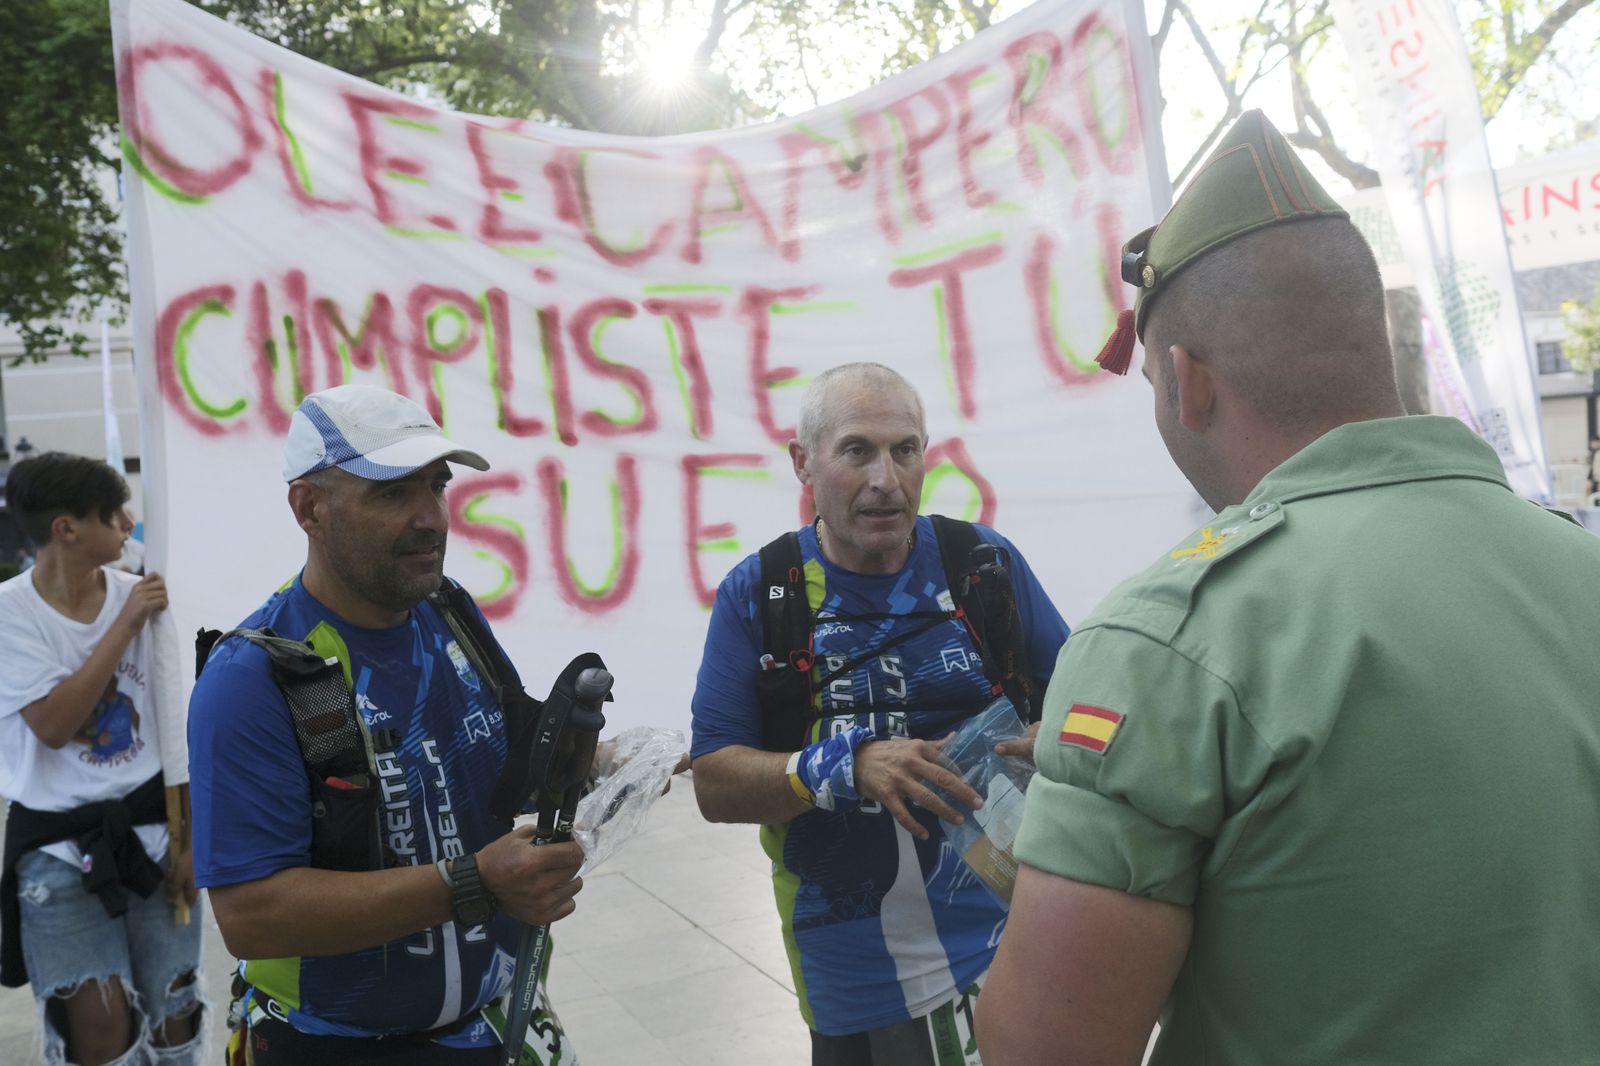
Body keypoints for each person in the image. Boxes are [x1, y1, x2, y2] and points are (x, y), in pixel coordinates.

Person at [977, 110, 1600, 1065]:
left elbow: (1043, 1050)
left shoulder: (1167, 645)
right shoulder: (1574, 568)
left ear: (1187, 382)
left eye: (1148, 380)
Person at [188, 384, 585, 1064]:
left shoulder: (450, 612)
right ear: (308, 508)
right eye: (391, 493)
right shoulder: (252, 678)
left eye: (436, 487)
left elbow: (499, 759)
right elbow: (251, 915)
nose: (430, 518)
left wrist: (598, 760)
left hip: (496, 1022)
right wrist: (475, 881)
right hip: (334, 1044)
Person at [691, 362, 1070, 1064]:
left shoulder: (981, 563)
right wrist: (846, 766)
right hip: (861, 974)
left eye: (905, 449)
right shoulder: (760, 593)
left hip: (1015, 939)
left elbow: (1087, 702)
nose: (885, 481)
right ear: (803, 463)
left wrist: (1060, 738)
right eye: (857, 450)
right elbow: (714, 781)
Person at [0, 452, 203, 1066]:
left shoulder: (142, 596)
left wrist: (191, 840)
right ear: (66, 529)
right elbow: (56, 726)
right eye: (112, 514)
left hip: (155, 833)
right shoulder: (12, 613)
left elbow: (176, 723)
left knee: (175, 1016)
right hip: (60, 853)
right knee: (101, 1032)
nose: (128, 521)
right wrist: (127, 622)